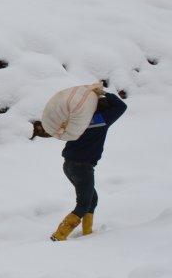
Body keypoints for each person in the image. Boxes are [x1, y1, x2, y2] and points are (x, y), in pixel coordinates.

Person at [50, 82, 127, 241]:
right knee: (84, 204)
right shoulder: (102, 120)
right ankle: (59, 236)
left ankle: (87, 234)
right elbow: (121, 106)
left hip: (69, 165)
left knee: (92, 199)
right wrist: (103, 92)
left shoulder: (78, 121)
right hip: (82, 167)